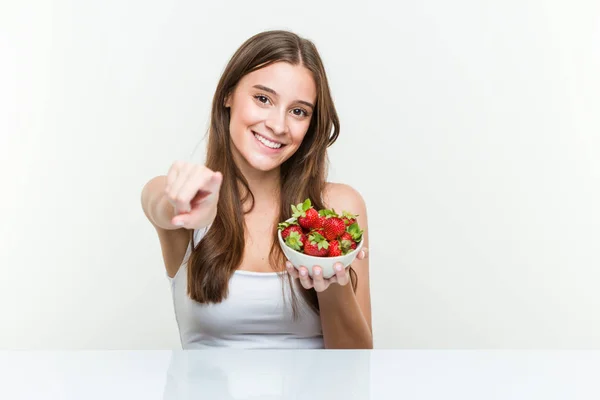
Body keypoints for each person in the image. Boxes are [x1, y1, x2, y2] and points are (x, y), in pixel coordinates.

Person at [141, 30, 372, 349]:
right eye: (263, 99)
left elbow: (357, 365)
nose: (278, 126)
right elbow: (158, 203)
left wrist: (332, 284)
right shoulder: (184, 196)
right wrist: (184, 204)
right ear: (228, 95)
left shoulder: (338, 207)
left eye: (298, 111)